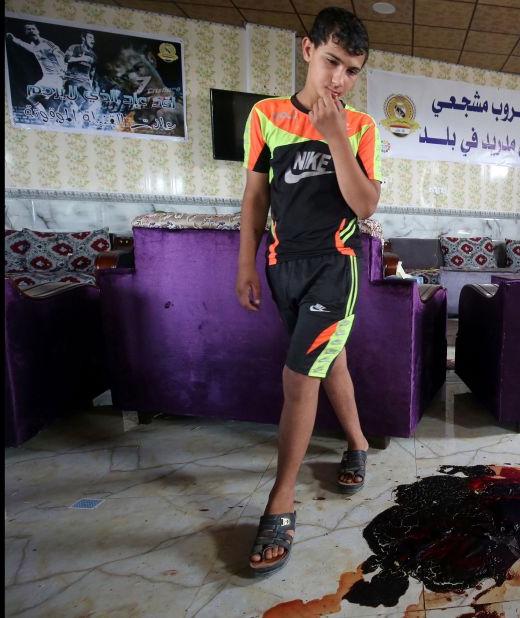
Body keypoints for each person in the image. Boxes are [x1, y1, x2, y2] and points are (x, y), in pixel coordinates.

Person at [235, 6, 381, 577]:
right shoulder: (265, 117)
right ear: (307, 50)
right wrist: (245, 265)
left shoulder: (362, 126)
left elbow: (365, 205)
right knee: (328, 359)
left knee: (299, 376)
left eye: (351, 70)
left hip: (334, 268)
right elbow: (255, 199)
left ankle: (281, 499)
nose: (339, 79)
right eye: (331, 62)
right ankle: (359, 444)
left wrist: (335, 136)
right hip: (281, 268)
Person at [6, 24, 66, 117]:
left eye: (33, 28)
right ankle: (48, 118)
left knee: (36, 98)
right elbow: (31, 48)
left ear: (38, 31)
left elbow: (60, 55)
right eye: (28, 29)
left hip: (56, 78)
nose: (31, 30)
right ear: (26, 32)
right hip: (47, 78)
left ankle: (53, 118)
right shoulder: (34, 45)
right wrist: (14, 39)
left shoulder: (46, 44)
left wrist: (63, 70)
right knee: (31, 98)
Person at [63, 32, 99, 116]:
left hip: (85, 81)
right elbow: (66, 59)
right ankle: (61, 119)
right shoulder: (74, 47)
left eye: (93, 39)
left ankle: (78, 116)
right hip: (72, 79)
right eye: (90, 38)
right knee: (68, 102)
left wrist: (92, 83)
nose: (93, 40)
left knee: (91, 100)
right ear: (83, 38)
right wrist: (82, 58)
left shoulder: (94, 55)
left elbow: (92, 71)